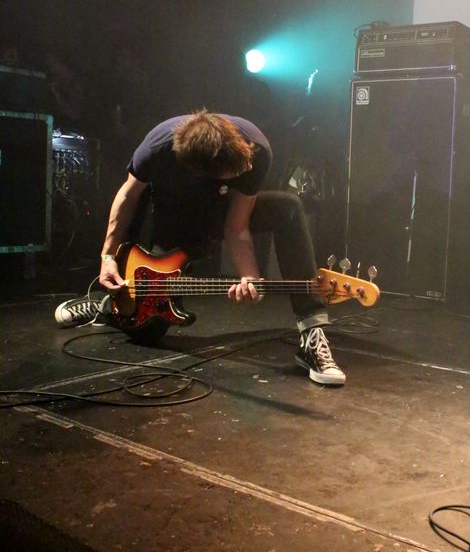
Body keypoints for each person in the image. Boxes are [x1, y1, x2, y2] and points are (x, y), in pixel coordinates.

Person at [54, 110, 345, 386]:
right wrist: (107, 256)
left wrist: (250, 277)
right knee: (149, 329)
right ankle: (104, 306)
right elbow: (128, 197)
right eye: (233, 173)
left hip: (221, 211)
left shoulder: (255, 150)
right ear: (200, 170)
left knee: (288, 208)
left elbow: (236, 225)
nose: (245, 172)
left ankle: (312, 331)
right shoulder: (156, 147)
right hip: (174, 217)